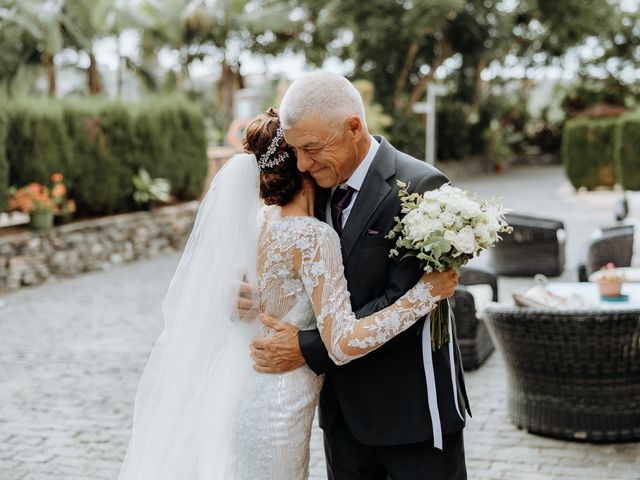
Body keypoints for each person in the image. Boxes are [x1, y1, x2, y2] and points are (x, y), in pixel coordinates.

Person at [117, 106, 458, 479]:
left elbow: (266, 290)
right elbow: (342, 340)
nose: (311, 159)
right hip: (278, 403)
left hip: (245, 392)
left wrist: (244, 298)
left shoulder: (262, 222)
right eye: (303, 148)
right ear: (294, 158)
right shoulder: (313, 235)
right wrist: (425, 295)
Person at [248, 71, 471, 480]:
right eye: (296, 150)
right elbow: (298, 275)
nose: (302, 163)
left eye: (312, 148)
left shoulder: (419, 186)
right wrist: (257, 293)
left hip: (411, 415)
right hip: (343, 418)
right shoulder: (313, 185)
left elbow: (405, 300)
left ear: (353, 127)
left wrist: (306, 347)